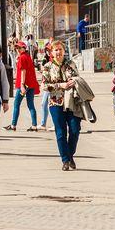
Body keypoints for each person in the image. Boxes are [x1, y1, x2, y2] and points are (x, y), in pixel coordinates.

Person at [41, 40, 82, 170]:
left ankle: (70, 155)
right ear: (51, 52)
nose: (58, 52)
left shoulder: (71, 64)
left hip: (72, 102)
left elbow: (78, 80)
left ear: (64, 51)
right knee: (61, 132)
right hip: (56, 103)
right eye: (56, 50)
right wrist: (60, 85)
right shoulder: (47, 66)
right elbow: (44, 86)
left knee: (75, 130)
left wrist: (74, 82)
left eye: (60, 49)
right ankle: (65, 160)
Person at [7, 41, 39, 132]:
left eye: (20, 48)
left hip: (24, 84)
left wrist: (22, 85)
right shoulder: (28, 57)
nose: (18, 49)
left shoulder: (22, 57)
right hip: (31, 84)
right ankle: (34, 125)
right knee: (31, 105)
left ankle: (13, 125)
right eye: (17, 48)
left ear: (24, 48)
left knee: (16, 104)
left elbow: (23, 71)